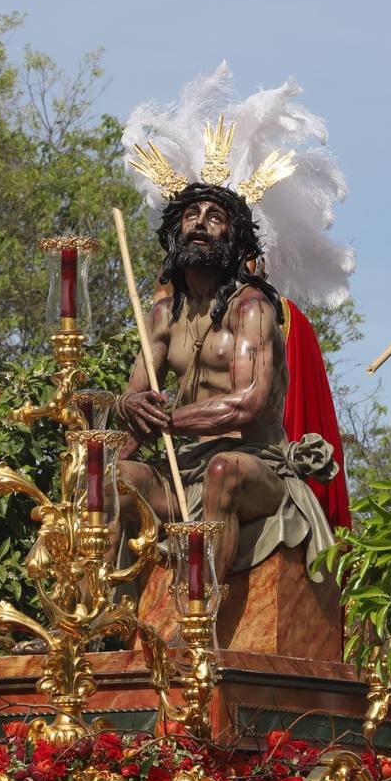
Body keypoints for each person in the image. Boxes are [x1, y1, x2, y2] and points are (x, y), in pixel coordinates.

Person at [117, 181, 337, 584]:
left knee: (223, 470)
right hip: (186, 470)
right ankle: (90, 623)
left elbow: (247, 403)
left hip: (256, 467)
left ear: (233, 239)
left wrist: (170, 420)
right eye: (190, 216)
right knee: (113, 483)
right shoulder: (163, 317)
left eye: (214, 218)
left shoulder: (251, 309)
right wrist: (124, 414)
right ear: (174, 232)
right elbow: (138, 402)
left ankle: (202, 615)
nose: (200, 224)